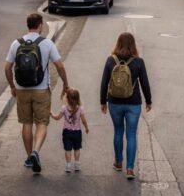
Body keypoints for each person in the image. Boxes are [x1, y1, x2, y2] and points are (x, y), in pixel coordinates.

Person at [4, 13, 69, 174]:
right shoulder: (46, 43)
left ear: (28, 25)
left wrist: (12, 86)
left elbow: (7, 68)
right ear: (40, 25)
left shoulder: (16, 43)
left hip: (21, 91)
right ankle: (36, 151)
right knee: (41, 123)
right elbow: (60, 66)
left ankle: (28, 157)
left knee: (26, 123)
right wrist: (65, 84)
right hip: (41, 90)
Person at [100, 32, 152, 180]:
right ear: (133, 45)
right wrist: (149, 101)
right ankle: (130, 169)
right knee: (131, 135)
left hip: (114, 103)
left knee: (118, 131)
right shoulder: (138, 62)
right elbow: (145, 83)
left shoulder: (111, 60)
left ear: (118, 43)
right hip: (133, 103)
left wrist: (103, 101)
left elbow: (104, 82)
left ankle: (118, 162)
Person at [51, 88, 89, 173]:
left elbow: (57, 118)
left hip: (67, 132)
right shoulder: (80, 109)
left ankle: (68, 165)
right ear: (78, 99)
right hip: (77, 132)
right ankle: (77, 164)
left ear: (67, 98)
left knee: (68, 150)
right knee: (77, 149)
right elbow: (83, 121)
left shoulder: (64, 108)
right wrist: (86, 128)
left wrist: (51, 114)